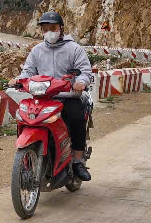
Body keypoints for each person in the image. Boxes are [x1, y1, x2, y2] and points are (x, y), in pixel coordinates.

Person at [13, 11, 93, 181]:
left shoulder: (74, 49)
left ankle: (77, 161)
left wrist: (81, 81)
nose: (49, 32)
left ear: (61, 28)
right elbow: (27, 71)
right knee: (24, 118)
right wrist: (19, 80)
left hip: (68, 96)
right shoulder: (37, 50)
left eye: (53, 28)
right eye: (45, 29)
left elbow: (85, 71)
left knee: (76, 117)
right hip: (43, 98)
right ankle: (28, 159)